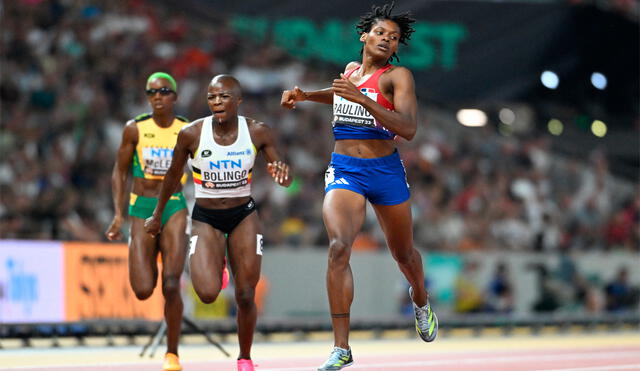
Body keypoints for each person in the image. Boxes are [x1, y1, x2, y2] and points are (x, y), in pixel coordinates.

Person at [281, 3, 438, 370]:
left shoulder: (398, 77)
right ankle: (341, 347)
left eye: (394, 37)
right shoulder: (350, 72)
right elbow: (340, 94)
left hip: (385, 172)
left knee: (404, 254)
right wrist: (306, 95)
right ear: (364, 36)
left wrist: (364, 100)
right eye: (381, 33)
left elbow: (409, 129)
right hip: (345, 170)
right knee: (338, 248)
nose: (386, 39)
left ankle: (420, 298)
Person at [145, 74, 292, 371]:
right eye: (212, 97)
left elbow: (280, 169)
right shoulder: (191, 134)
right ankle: (219, 263)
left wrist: (283, 175)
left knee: (246, 293)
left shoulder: (258, 131)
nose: (216, 102)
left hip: (243, 215)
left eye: (223, 97)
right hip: (206, 217)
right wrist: (157, 214)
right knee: (208, 293)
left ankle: (245, 357)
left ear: (238, 101)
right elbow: (173, 176)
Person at [105, 72, 189, 371]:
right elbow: (119, 171)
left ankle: (172, 353)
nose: (157, 97)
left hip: (174, 206)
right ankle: (148, 251)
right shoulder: (135, 128)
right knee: (143, 289)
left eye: (164, 91)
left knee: (171, 284)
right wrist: (118, 214)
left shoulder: (187, 129)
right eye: (151, 92)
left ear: (175, 96)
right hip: (140, 207)